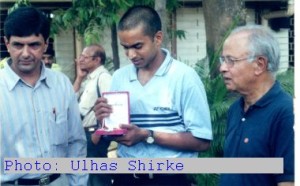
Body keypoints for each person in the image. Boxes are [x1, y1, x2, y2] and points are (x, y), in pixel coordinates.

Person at [94, 5, 213, 186]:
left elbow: (202, 141)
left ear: (157, 38)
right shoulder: (120, 77)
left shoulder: (184, 77)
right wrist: (104, 121)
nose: (131, 54)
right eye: (125, 47)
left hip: (170, 179)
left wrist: (147, 135)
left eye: (137, 46)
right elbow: (112, 134)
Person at [0, 7, 88, 186]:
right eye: (18, 45)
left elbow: (76, 142)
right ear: (6, 43)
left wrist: (78, 183)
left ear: (46, 44)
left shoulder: (61, 84)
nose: (25, 53)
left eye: (34, 45)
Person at [218, 25, 294, 186]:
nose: (222, 68)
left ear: (260, 64)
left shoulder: (287, 114)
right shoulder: (235, 109)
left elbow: (289, 180)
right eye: (222, 60)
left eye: (231, 61)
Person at [73, 44, 112, 186]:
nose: (80, 60)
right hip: (84, 134)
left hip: (93, 135)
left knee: (98, 179)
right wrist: (79, 78)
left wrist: (98, 134)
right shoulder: (89, 79)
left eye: (84, 57)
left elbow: (112, 108)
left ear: (97, 60)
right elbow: (71, 101)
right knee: (88, 178)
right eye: (80, 56)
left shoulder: (104, 78)